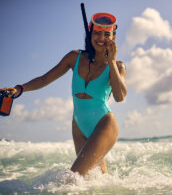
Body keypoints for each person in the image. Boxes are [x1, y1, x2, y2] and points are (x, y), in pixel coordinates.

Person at [0, 12, 127, 176]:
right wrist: (19, 89)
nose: (101, 38)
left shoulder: (118, 66)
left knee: (73, 177)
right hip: (79, 125)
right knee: (93, 182)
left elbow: (120, 96)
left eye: (106, 34)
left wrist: (111, 61)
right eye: (97, 32)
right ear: (90, 33)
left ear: (113, 38)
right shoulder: (74, 57)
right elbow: (44, 79)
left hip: (104, 124)